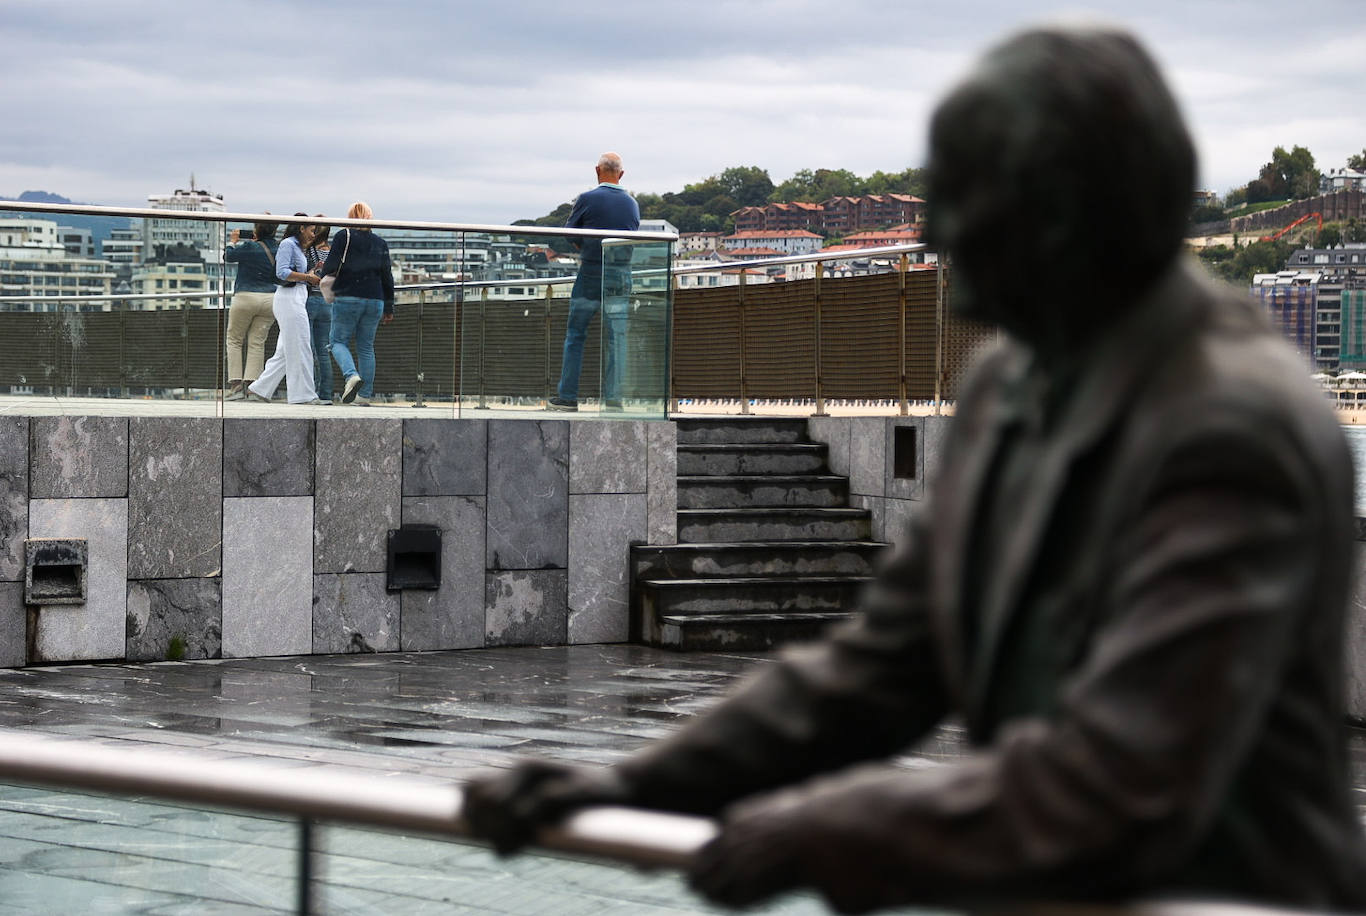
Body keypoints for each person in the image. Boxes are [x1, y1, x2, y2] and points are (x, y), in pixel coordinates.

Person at [462, 26, 1366, 913]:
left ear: (1060, 209)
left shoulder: (1234, 425)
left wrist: (845, 825)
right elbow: (888, 661)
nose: (931, 228)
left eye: (962, 193)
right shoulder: (1012, 386)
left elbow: (1134, 766)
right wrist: (631, 782)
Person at [545, 151, 640, 411]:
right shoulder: (632, 203)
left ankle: (568, 397)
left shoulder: (587, 199)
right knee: (617, 337)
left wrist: (585, 247)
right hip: (621, 274)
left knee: (576, 334)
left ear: (597, 171)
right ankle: (613, 399)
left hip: (591, 272)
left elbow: (570, 234)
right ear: (621, 174)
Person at [323, 201, 395, 405]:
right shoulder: (380, 243)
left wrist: (321, 271)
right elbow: (387, 277)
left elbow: (330, 266)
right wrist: (389, 307)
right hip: (375, 299)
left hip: (348, 295)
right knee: (366, 347)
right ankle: (365, 395)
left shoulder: (343, 236)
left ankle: (351, 375)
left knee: (337, 342)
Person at [248, 216, 322, 405]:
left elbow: (293, 273)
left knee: (285, 350)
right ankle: (302, 395)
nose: (314, 234)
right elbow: (282, 272)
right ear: (302, 228)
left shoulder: (297, 247)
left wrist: (311, 273)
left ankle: (260, 389)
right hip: (289, 300)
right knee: (300, 346)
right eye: (312, 230)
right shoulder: (289, 244)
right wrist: (308, 277)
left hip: (294, 298)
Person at [222, 220, 279, 400]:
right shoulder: (279, 248)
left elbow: (228, 256)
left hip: (245, 297)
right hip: (270, 299)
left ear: (257, 230)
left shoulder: (249, 246)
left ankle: (236, 385)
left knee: (235, 339)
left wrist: (233, 241)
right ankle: (253, 386)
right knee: (257, 342)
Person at [304, 218, 334, 404]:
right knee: (324, 351)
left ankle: (310, 391)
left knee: (309, 349)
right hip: (327, 302)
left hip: (310, 300)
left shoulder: (308, 250)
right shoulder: (332, 253)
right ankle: (326, 394)